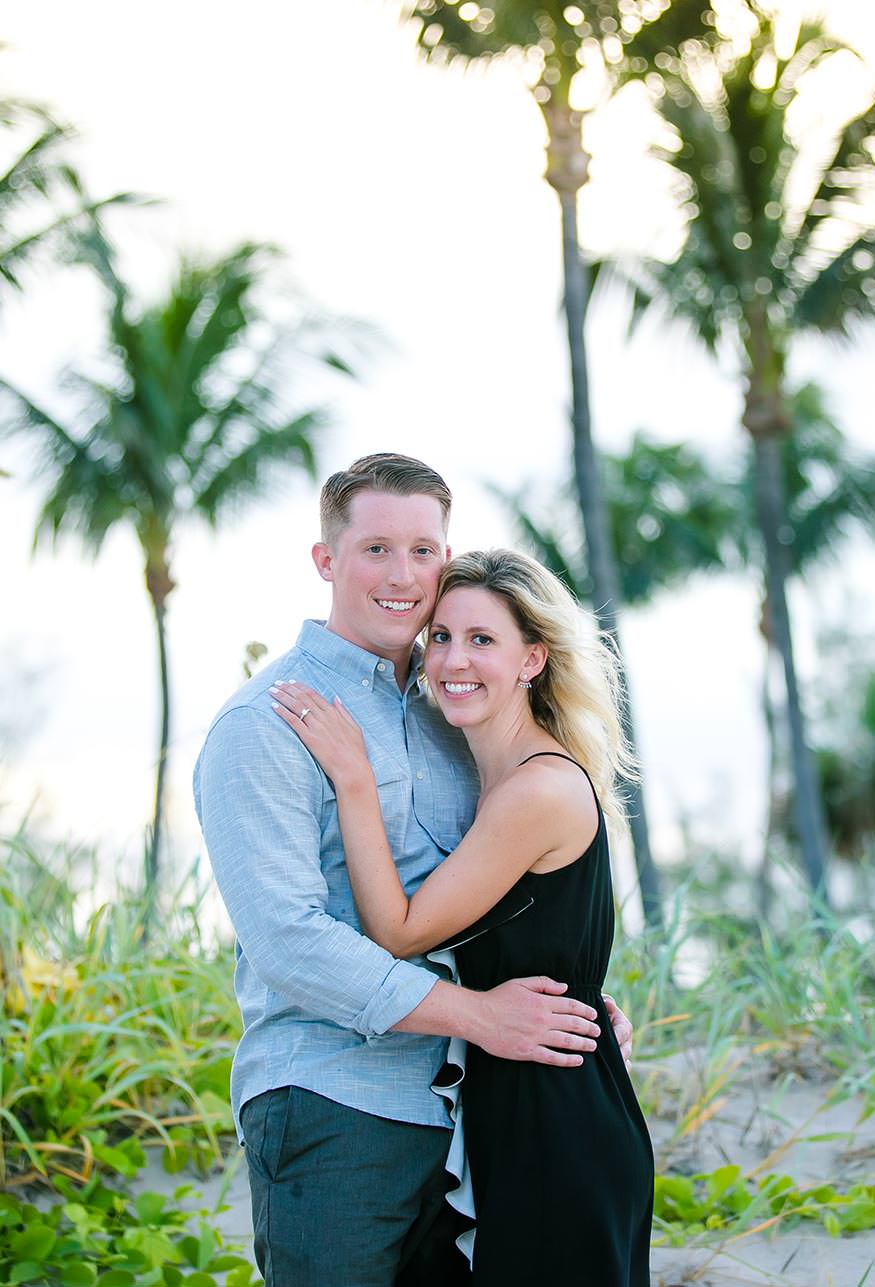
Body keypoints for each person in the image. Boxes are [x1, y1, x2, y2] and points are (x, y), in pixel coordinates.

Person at [193, 453, 633, 1287]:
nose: (404, 575)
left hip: (477, 1112)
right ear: (327, 560)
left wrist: (566, 993)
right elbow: (289, 941)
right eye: (376, 549)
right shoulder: (266, 724)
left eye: (424, 550)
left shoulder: (452, 710)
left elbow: (504, 893)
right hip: (337, 1104)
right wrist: (479, 1013)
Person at [270, 546, 655, 1284]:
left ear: (532, 659)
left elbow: (401, 930)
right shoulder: (497, 777)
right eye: (440, 635)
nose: (453, 658)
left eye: (483, 639)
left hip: (555, 1122)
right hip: (517, 1102)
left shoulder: (535, 789)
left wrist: (354, 779)